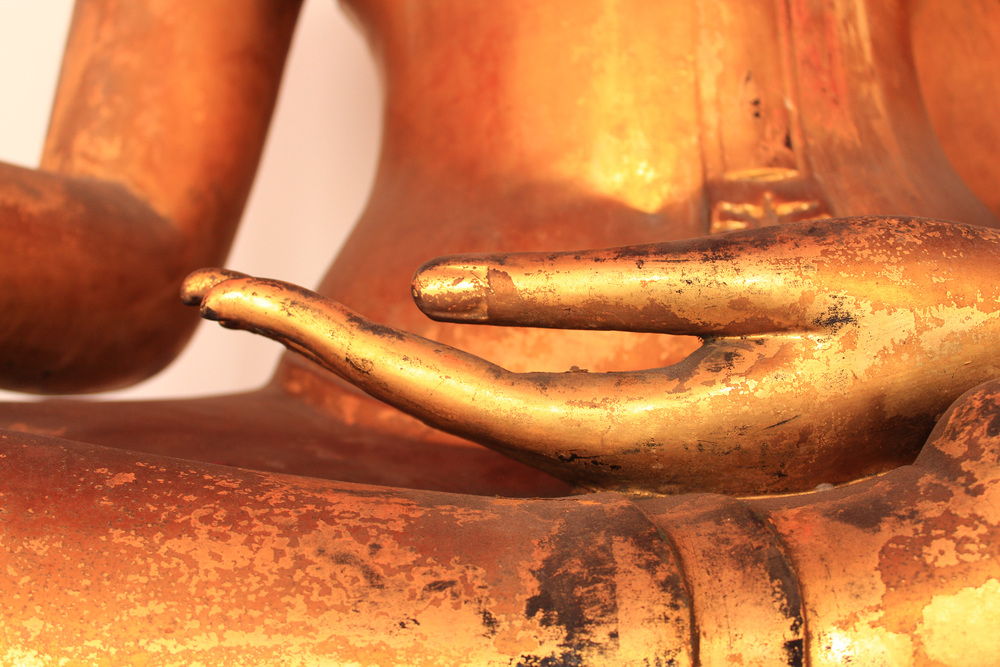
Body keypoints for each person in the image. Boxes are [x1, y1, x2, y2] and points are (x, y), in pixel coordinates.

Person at [1, 0, 999, 662]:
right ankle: (865, 600)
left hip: (959, 429)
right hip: (385, 447)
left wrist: (965, 313)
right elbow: (131, 249)